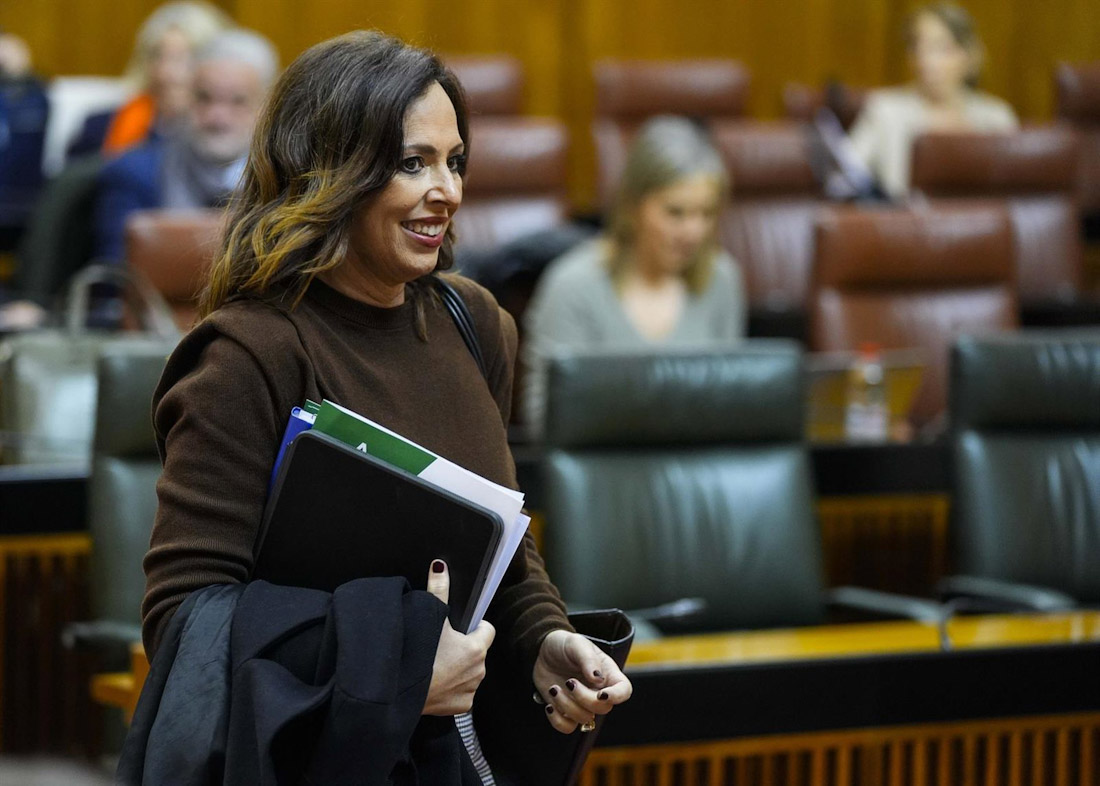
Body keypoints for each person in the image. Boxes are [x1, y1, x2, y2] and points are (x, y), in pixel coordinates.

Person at [139, 30, 631, 781]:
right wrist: (387, 676)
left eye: (454, 161)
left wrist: (542, 638)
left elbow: (497, 546)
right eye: (412, 163)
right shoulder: (247, 355)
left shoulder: (477, 323)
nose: (448, 191)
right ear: (329, 173)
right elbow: (185, 622)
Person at [522, 116, 746, 435]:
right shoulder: (571, 284)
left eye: (706, 213)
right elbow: (545, 418)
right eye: (676, 212)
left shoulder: (721, 278)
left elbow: (731, 401)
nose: (693, 232)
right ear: (633, 206)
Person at [93, 28, 277, 263]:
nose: (217, 117)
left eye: (238, 101)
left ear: (266, 107)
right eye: (204, 98)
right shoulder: (133, 174)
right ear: (186, 97)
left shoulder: (285, 181)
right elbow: (114, 275)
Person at [846, 2, 1018, 199]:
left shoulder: (996, 117)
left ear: (968, 55)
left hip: (979, 217)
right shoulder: (884, 109)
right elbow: (844, 175)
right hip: (906, 216)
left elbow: (1012, 193)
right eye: (918, 47)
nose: (927, 61)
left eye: (941, 48)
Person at [68, 1, 233, 159]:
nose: (165, 72)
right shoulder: (101, 128)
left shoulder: (227, 135)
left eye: (183, 59)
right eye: (157, 56)